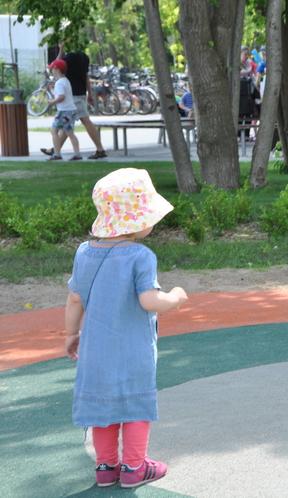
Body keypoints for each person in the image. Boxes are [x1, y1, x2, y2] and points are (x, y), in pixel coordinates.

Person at [65, 168, 188, 488]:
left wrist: (71, 334)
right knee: (135, 404)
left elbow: (75, 298)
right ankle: (134, 467)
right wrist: (174, 298)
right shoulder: (140, 256)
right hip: (133, 350)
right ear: (137, 220)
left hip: (94, 350)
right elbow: (149, 300)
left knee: (102, 405)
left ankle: (106, 467)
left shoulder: (84, 252)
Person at [41, 47, 107, 159]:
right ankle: (55, 149)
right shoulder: (84, 57)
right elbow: (86, 77)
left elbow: (54, 65)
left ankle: (99, 150)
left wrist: (61, 50)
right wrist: (89, 93)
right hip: (81, 93)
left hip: (73, 96)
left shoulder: (68, 58)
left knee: (81, 122)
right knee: (69, 125)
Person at [46, 59, 82, 161]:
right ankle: (77, 154)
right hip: (70, 110)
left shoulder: (59, 83)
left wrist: (52, 102)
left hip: (64, 111)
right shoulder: (65, 81)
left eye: (52, 68)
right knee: (70, 133)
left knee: (54, 131)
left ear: (57, 69)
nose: (51, 70)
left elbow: (61, 97)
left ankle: (57, 154)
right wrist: (51, 91)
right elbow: (60, 94)